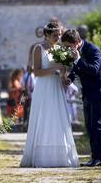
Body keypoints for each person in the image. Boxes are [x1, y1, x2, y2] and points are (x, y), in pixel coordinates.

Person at [20, 22, 79, 167]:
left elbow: (64, 70)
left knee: (57, 117)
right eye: (55, 35)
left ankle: (59, 156)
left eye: (59, 35)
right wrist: (54, 70)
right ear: (47, 35)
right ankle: (41, 156)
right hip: (44, 87)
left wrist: (65, 77)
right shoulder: (38, 49)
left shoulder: (60, 49)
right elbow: (37, 71)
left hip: (56, 87)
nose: (58, 38)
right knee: (44, 117)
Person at [62, 28, 101, 167]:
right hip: (88, 91)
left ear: (77, 42)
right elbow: (77, 69)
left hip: (100, 90)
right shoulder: (75, 51)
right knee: (89, 125)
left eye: (68, 46)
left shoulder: (93, 50)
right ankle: (94, 157)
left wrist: (77, 59)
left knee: (98, 124)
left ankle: (99, 157)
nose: (66, 49)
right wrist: (70, 79)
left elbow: (94, 69)